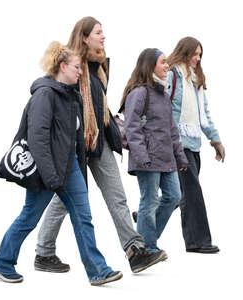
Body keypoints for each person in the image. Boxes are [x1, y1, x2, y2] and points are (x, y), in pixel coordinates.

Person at [34, 16, 164, 275]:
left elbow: (99, 101)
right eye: (98, 32)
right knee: (63, 200)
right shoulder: (70, 66)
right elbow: (57, 102)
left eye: (103, 32)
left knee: (117, 195)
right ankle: (44, 252)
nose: (103, 37)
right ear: (84, 37)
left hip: (99, 139)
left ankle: (134, 250)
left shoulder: (99, 66)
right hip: (76, 144)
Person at [0, 41, 123, 286]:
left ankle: (98, 270)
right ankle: (2, 263)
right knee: (29, 217)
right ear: (62, 66)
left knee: (83, 217)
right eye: (76, 67)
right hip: (46, 169)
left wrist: (76, 168)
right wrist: (51, 178)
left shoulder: (70, 96)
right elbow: (37, 139)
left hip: (69, 167)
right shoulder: (44, 95)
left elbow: (74, 138)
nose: (80, 72)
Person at [122, 48, 188, 254]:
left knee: (174, 196)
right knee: (149, 202)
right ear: (150, 66)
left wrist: (181, 157)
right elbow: (132, 127)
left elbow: (172, 130)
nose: (167, 66)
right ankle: (148, 247)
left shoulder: (163, 94)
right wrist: (142, 157)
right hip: (148, 159)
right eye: (163, 62)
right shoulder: (139, 93)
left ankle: (146, 237)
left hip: (166, 158)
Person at [166, 37, 225, 253]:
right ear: (184, 52)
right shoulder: (172, 74)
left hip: (194, 144)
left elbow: (204, 115)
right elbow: (163, 108)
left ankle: (146, 215)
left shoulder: (196, 79)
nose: (197, 58)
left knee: (179, 193)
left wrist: (215, 139)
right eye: (195, 54)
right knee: (192, 193)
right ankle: (200, 241)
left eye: (200, 55)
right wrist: (173, 140)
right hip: (177, 144)